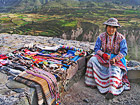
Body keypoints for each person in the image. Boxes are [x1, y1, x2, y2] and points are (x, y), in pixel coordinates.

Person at [85, 18, 130, 99]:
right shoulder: (101, 37)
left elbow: (124, 52)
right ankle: (93, 83)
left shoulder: (121, 38)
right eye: (109, 27)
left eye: (113, 27)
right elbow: (96, 49)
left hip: (116, 59)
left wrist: (115, 59)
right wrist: (102, 54)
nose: (111, 29)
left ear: (116, 28)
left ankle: (111, 90)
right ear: (106, 27)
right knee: (92, 60)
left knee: (114, 70)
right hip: (104, 57)